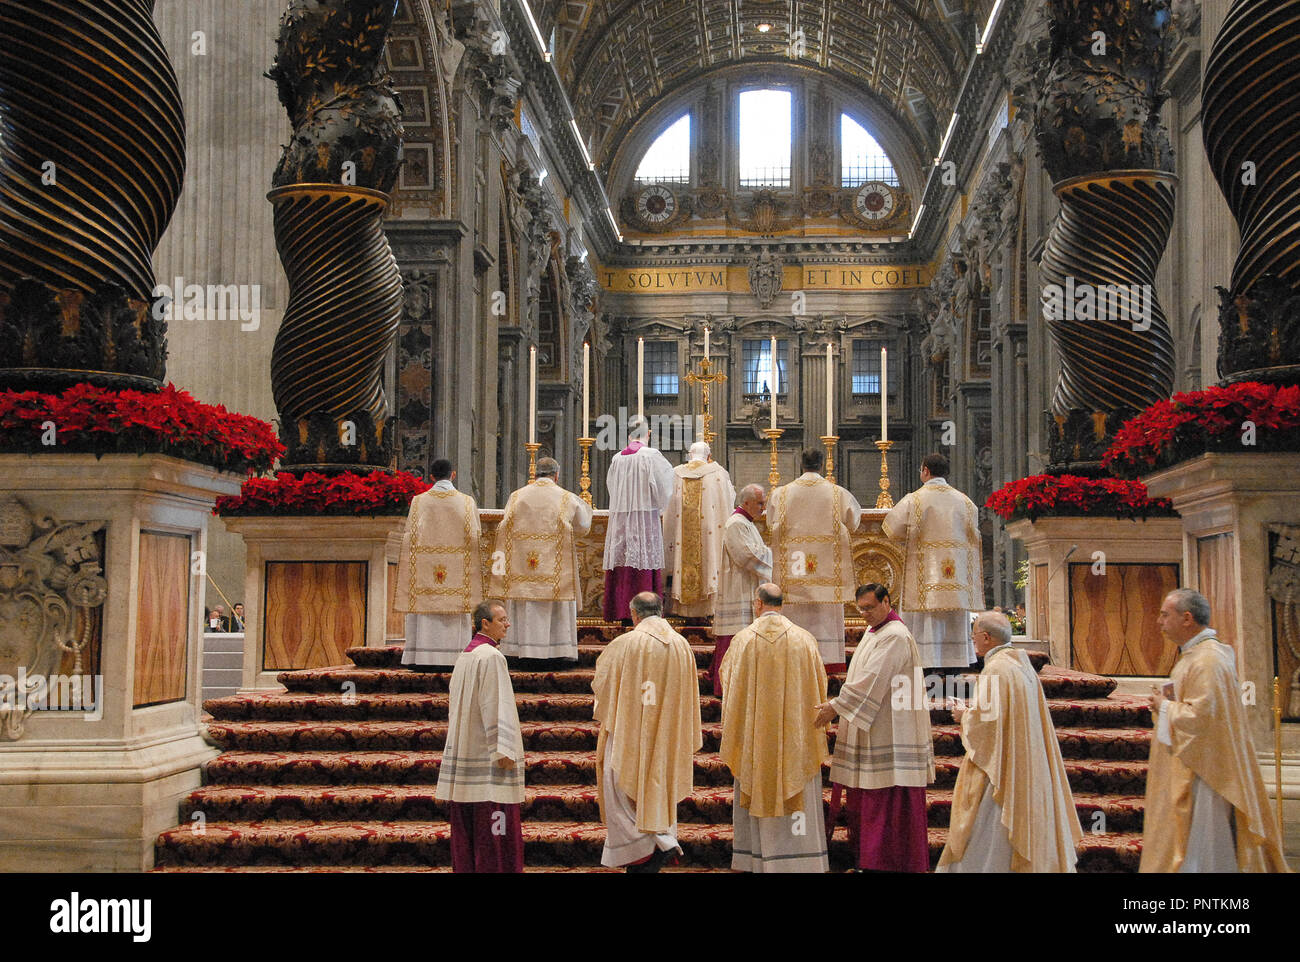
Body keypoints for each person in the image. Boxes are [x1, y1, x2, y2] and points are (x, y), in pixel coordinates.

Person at [1140, 589, 1289, 872]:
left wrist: (1165, 707)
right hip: (1198, 765)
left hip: (1204, 774)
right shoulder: (1199, 655)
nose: (1159, 621)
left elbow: (1202, 720)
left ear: (1187, 618)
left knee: (1202, 848)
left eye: (1164, 614)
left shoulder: (1207, 661)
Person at [936, 611, 1082, 872]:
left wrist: (963, 716)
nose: (972, 641)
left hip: (1000, 771)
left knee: (987, 836)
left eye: (974, 636)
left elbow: (987, 725)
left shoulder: (996, 669)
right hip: (1023, 761)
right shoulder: (1020, 664)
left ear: (986, 637)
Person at [814, 584, 934, 872]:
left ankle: (887, 862)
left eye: (869, 607)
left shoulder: (895, 636)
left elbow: (872, 679)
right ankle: (870, 860)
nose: (865, 614)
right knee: (870, 794)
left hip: (892, 729)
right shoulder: (876, 631)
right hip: (877, 722)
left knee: (886, 797)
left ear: (886, 602)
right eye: (861, 609)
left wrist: (836, 705)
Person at [720, 583, 829, 872]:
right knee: (799, 788)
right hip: (797, 740)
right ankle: (803, 860)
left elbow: (729, 689)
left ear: (757, 604)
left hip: (755, 743)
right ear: (782, 604)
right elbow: (821, 686)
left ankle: (756, 858)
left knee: (755, 782)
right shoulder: (804, 640)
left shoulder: (743, 640)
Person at [592, 592, 702, 872]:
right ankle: (662, 840)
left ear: (634, 614)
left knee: (621, 789)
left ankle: (648, 850)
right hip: (668, 735)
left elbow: (601, 686)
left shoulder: (625, 644)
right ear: (661, 612)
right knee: (659, 789)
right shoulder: (681, 644)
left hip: (629, 732)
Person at [434, 600, 525, 872]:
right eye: (502, 619)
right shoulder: (491, 657)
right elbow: (496, 706)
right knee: (494, 832)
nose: (507, 624)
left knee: (469, 832)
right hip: (489, 764)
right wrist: (505, 749)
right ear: (484, 623)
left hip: (467, 755)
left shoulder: (465, 656)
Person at [882, 452, 984, 671]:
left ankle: (926, 665)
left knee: (926, 618)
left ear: (925, 470)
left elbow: (891, 530)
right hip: (956, 577)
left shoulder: (915, 499)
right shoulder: (965, 502)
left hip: (925, 577)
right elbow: (974, 535)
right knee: (953, 616)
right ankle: (954, 664)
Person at [491, 457, 593, 666]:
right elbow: (583, 526)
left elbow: (505, 526)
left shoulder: (517, 496)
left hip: (523, 564)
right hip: (555, 567)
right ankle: (558, 652)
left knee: (526, 601)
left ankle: (521, 650)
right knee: (556, 603)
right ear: (556, 475)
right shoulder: (566, 497)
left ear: (535, 473)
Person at [767, 448, 862, 668]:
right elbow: (854, 521)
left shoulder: (781, 493)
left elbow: (771, 522)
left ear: (802, 464)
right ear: (821, 465)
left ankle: (794, 660)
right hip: (828, 569)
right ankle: (827, 661)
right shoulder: (838, 493)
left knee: (794, 617)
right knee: (825, 616)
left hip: (794, 570)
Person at [393, 458, 482, 669]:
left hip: (425, 566)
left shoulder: (419, 501)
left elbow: (410, 535)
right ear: (453, 474)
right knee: (455, 606)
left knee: (425, 606)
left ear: (431, 477)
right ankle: (454, 657)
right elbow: (475, 536)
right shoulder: (467, 501)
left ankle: (422, 657)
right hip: (456, 567)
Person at [602, 437, 675, 621]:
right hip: (644, 518)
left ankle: (620, 611)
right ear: (647, 436)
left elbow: (611, 486)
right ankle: (647, 614)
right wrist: (659, 506)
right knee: (643, 564)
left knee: (623, 564)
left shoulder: (617, 458)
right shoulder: (651, 455)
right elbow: (665, 487)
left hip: (621, 518)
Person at [662, 441, 735, 619]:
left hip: (682, 532)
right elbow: (729, 500)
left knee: (682, 556)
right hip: (708, 531)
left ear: (689, 455)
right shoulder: (718, 473)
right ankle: (708, 608)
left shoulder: (676, 473)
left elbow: (667, 506)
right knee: (709, 557)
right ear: (708, 456)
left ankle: (682, 609)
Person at [711, 483, 771, 696]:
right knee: (734, 638)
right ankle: (727, 687)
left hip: (746, 586)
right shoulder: (736, 523)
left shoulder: (746, 522)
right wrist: (773, 558)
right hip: (737, 589)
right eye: (759, 503)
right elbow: (746, 556)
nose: (763, 507)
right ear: (745, 502)